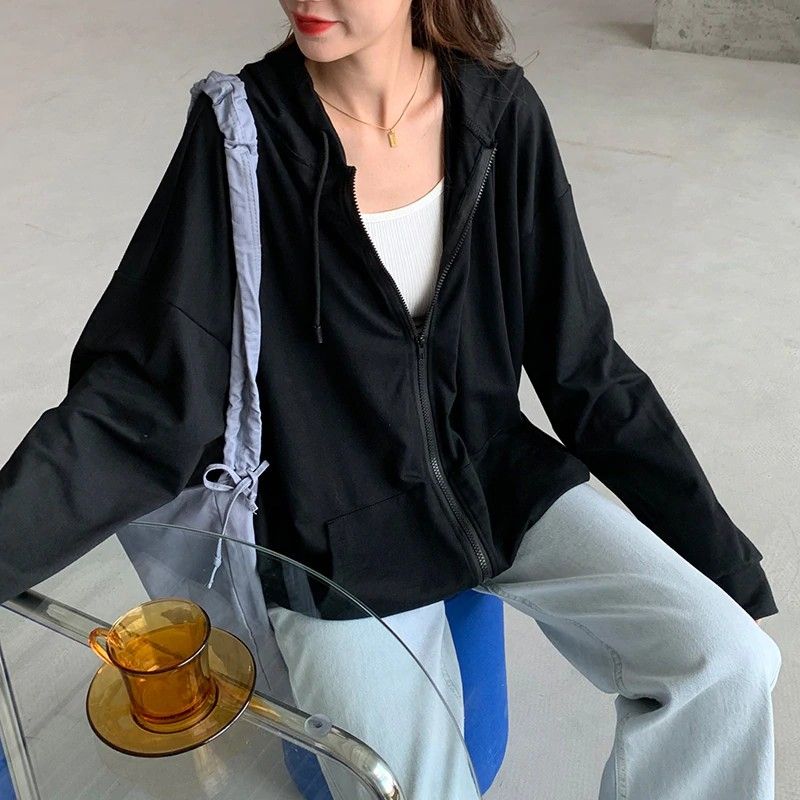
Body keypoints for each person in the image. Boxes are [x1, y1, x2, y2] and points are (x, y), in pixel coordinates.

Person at [0, 1, 781, 798]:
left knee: (727, 663)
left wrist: (717, 560)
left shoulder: (500, 115)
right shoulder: (243, 138)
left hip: (492, 482)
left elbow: (585, 365)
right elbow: (141, 398)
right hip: (331, 537)